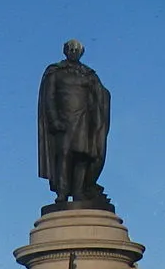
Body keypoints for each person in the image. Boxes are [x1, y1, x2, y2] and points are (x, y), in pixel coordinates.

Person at [36, 38, 111, 205]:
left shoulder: (88, 74)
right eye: (71, 49)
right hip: (64, 121)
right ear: (65, 51)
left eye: (77, 50)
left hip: (84, 121)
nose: (73, 53)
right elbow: (49, 97)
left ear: (81, 53)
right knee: (64, 156)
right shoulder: (56, 72)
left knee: (82, 156)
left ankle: (79, 191)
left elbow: (102, 94)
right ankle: (62, 192)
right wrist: (54, 119)